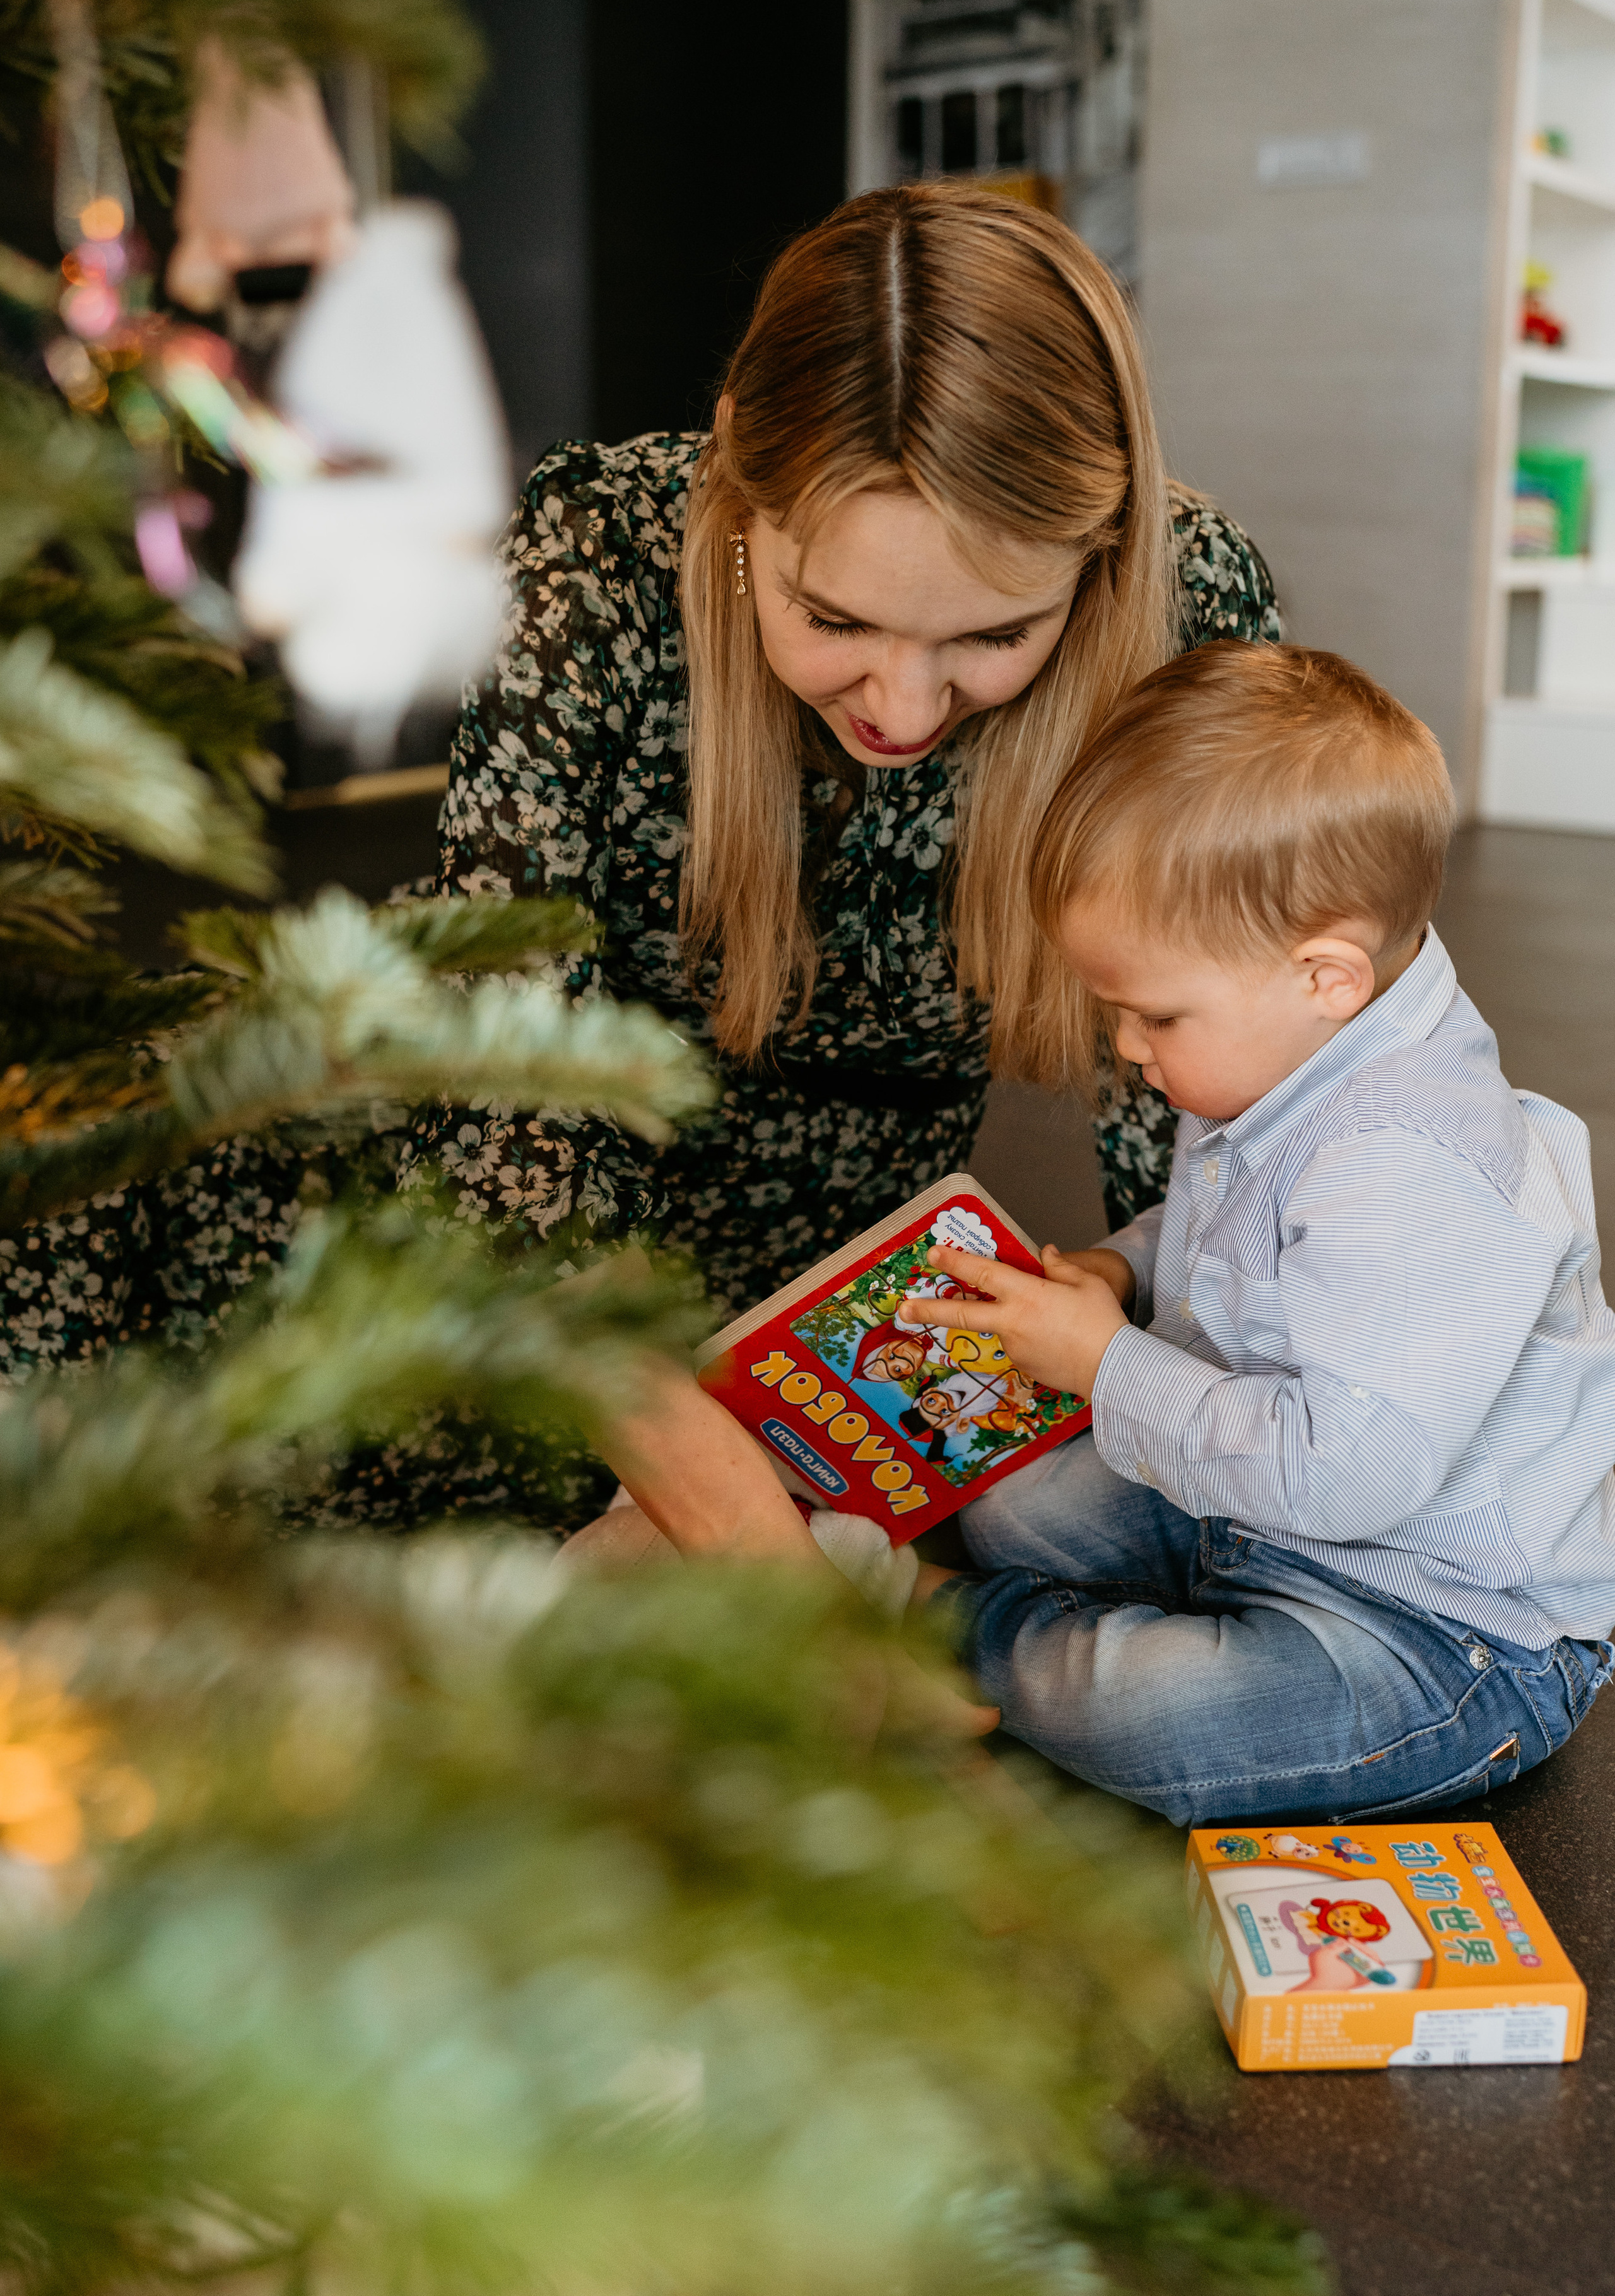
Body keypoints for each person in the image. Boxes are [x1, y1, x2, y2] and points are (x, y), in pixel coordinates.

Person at [1, 184, 1277, 1540]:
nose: (905, 710)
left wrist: (1169, 1369)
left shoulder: (1189, 602)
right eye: (833, 618)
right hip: (500, 1175)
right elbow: (501, 1061)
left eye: (992, 637)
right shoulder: (597, 554)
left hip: (819, 1265)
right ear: (735, 482)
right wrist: (734, 1518)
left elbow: (1213, 1110)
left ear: (1097, 556)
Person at [603, 642, 1615, 1827]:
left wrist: (1103, 1362)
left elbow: (1346, 1473)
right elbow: (1239, 1232)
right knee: (1017, 1501)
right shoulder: (1296, 1048)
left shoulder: (1419, 1168)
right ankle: (989, 1603)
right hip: (1262, 1510)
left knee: (1157, 1711)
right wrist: (1123, 1270)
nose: (1130, 1047)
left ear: (1325, 976)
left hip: (1439, 1630)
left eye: (1155, 1015)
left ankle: (924, 1624)